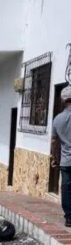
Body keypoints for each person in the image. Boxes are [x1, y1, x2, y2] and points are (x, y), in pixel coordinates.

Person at [51, 86, 71, 227]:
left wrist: (54, 157)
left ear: (63, 101)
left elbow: (53, 141)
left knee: (66, 188)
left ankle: (69, 218)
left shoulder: (57, 119)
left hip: (66, 161)